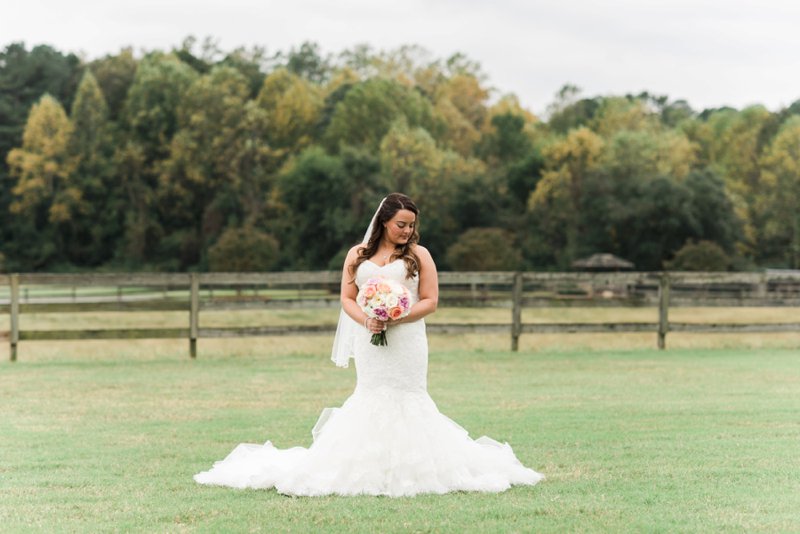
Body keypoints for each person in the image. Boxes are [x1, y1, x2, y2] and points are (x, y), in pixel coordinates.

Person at [194, 193, 544, 496]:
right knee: (371, 395)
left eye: (411, 225)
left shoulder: (420, 255)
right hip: (369, 338)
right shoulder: (357, 254)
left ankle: (416, 468)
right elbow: (348, 298)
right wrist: (368, 320)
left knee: (409, 397)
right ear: (384, 221)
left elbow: (431, 300)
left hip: (407, 339)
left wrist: (398, 317)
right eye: (400, 224)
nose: (407, 231)